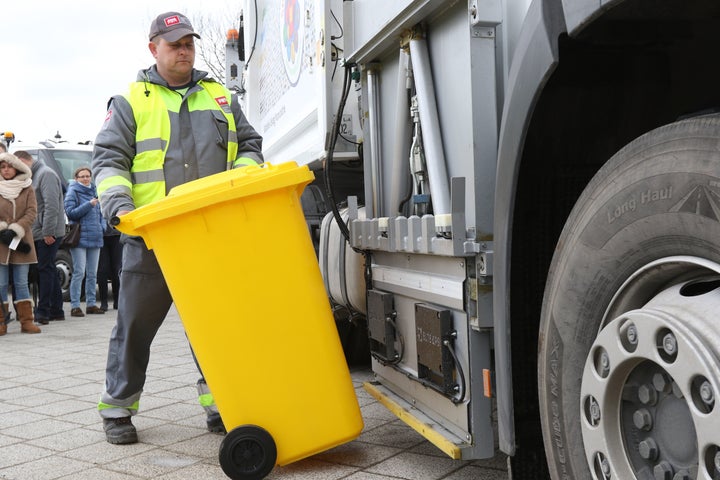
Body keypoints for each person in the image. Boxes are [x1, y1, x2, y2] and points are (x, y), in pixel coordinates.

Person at [92, 11, 263, 445]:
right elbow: (109, 160)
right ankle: (117, 411)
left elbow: (250, 145)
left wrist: (237, 181)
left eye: (188, 42)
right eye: (174, 44)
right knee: (133, 328)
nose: (183, 50)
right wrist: (117, 205)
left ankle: (223, 406)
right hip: (152, 238)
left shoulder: (220, 97)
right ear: (154, 49)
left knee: (216, 328)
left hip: (209, 236)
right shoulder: (131, 101)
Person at [15, 150, 66, 324]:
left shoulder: (46, 174)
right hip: (39, 231)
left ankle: (43, 311)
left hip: (48, 232)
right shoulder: (34, 176)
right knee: (48, 269)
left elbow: (52, 205)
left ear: (24, 161)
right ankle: (57, 310)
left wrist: (48, 232)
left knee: (44, 270)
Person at [0, 152, 40, 335]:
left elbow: (32, 212)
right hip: (0, 243)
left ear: (16, 167)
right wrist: (3, 230)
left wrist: (15, 229)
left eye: (9, 166)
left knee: (22, 283)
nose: (6, 170)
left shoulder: (27, 187)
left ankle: (27, 321)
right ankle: (2, 322)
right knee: (0, 284)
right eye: (2, 167)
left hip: (21, 240)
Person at [64, 167, 105, 317]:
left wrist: (102, 226)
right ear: (76, 178)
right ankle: (75, 306)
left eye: (88, 176)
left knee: (92, 273)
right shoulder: (72, 192)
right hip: (79, 238)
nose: (86, 179)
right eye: (82, 176)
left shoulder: (95, 190)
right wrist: (89, 204)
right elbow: (70, 213)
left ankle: (91, 304)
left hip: (95, 236)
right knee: (79, 272)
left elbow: (102, 213)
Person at [97, 217, 121, 311]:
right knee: (102, 269)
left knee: (117, 268)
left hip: (117, 235)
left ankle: (117, 301)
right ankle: (104, 302)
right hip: (101, 236)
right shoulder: (97, 201)